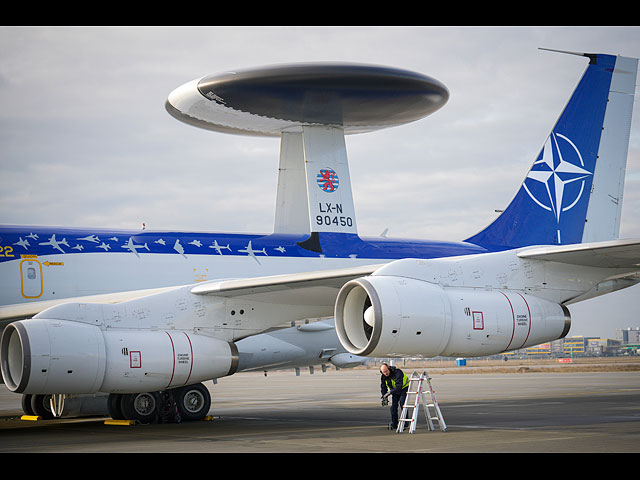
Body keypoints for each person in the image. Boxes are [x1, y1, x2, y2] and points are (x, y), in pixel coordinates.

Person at [380, 363, 409, 430]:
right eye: (383, 372)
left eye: (386, 371)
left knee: (403, 404)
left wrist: (389, 393)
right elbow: (383, 387)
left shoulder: (397, 372)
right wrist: (384, 396)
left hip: (403, 388)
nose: (385, 373)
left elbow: (399, 386)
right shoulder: (383, 376)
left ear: (389, 368)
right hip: (394, 391)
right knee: (393, 407)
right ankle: (394, 424)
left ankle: (405, 423)